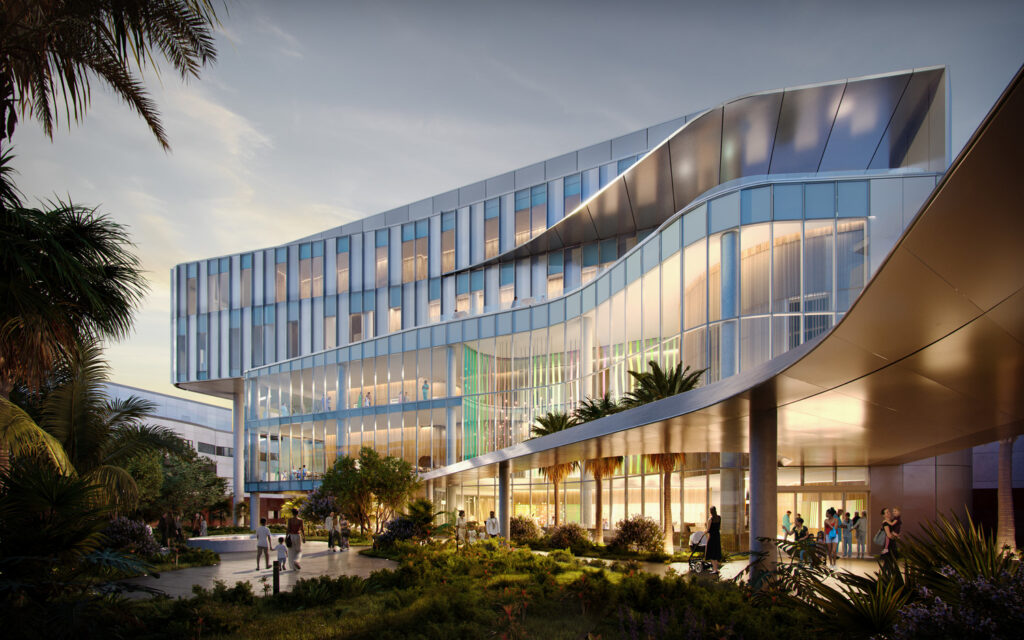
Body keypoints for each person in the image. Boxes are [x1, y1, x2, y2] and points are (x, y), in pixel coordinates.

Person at [704, 507, 723, 575]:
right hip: (717, 536)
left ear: (711, 512)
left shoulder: (710, 519)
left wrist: (705, 531)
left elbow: (708, 529)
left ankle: (715, 569)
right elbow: (719, 527)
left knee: (711, 552)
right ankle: (716, 569)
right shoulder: (719, 518)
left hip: (712, 537)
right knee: (716, 552)